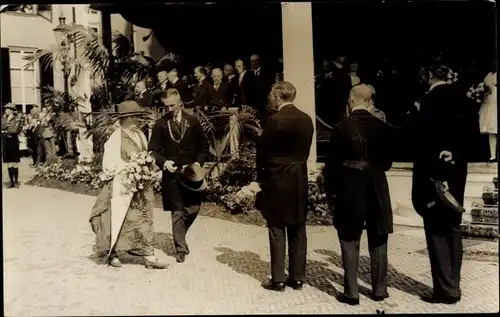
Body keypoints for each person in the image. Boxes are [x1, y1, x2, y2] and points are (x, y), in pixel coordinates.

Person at [322, 84, 394, 306]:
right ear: (370, 101)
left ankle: (351, 292)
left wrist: (331, 194)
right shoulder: (383, 127)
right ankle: (379, 289)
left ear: (351, 99)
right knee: (379, 238)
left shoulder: (341, 127)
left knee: (349, 238)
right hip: (377, 186)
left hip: (350, 188)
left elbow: (331, 166)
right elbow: (388, 162)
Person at [410, 62, 468, 304]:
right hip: (457, 171)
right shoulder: (463, 99)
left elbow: (422, 142)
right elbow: (472, 137)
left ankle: (444, 290)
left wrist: (414, 116)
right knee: (453, 227)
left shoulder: (428, 102)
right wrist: (456, 153)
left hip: (433, 175)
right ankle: (453, 282)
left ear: (429, 75)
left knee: (436, 230)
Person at [89, 100, 168, 269]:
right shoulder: (115, 137)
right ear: (124, 119)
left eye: (137, 117)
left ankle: (149, 256)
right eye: (132, 118)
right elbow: (108, 165)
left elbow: (145, 155)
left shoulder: (140, 135)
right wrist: (129, 168)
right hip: (122, 184)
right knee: (120, 218)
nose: (136, 121)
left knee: (144, 218)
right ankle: (114, 253)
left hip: (141, 184)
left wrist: (146, 167)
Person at [256, 81, 314, 292]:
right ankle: (297, 277)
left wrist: (262, 178)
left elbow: (263, 153)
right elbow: (305, 152)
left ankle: (278, 278)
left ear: (279, 97)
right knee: (298, 225)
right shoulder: (307, 119)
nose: (270, 98)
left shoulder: (275, 120)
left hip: (277, 178)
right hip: (299, 177)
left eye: (272, 95)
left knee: (277, 227)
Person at [148, 93, 209, 263]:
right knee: (177, 212)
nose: (169, 109)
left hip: (191, 174)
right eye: (166, 106)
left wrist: (197, 163)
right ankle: (180, 248)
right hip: (171, 175)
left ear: (180, 103)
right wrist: (164, 162)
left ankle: (180, 234)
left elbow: (204, 147)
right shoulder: (161, 124)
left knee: (193, 208)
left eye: (172, 106)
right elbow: (153, 150)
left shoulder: (192, 121)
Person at [1, 104, 22, 188]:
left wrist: (5, 130)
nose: (5, 111)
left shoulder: (16, 119)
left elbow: (15, 130)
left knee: (15, 162)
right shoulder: (4, 119)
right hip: (6, 142)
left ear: (11, 110)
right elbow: (2, 127)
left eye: (7, 109)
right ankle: (11, 181)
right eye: (5, 109)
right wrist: (7, 127)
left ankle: (16, 181)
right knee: (8, 162)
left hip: (13, 141)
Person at [479, 70, 497, 162]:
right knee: (491, 132)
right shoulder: (489, 74)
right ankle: (493, 155)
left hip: (495, 103)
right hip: (489, 102)